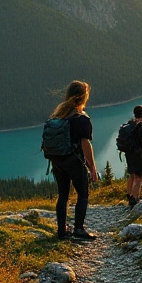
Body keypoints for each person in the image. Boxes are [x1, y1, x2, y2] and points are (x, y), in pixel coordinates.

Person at [47, 81, 99, 241]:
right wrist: (92, 168)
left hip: (57, 160)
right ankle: (79, 229)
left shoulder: (59, 115)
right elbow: (85, 144)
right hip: (74, 161)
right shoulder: (81, 118)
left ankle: (61, 231)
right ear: (84, 97)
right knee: (82, 194)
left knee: (63, 195)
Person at [124, 105, 142, 206]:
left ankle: (129, 194)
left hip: (128, 154)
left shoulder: (129, 124)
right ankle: (134, 198)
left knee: (131, 175)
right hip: (138, 154)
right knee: (139, 177)